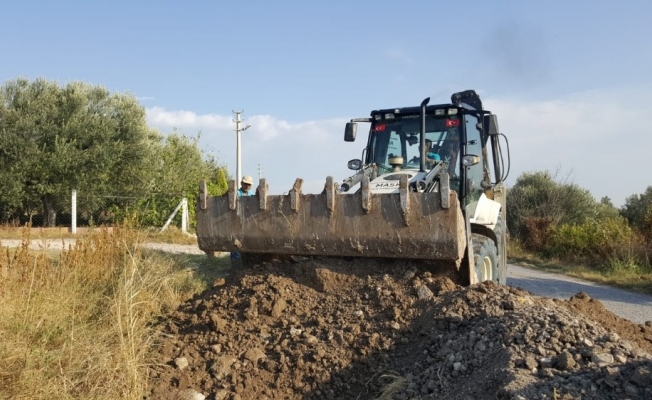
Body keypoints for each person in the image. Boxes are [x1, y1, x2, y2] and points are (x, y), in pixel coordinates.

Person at [231, 175, 254, 266]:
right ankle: (236, 264)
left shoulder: (252, 195)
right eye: (245, 184)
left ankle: (247, 263)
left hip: (249, 222)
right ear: (241, 183)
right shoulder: (236, 194)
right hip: (237, 221)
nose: (247, 186)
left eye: (249, 184)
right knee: (236, 242)